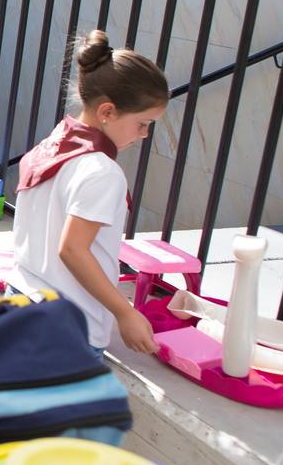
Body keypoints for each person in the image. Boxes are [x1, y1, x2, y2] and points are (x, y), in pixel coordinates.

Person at [11, 30, 169, 355]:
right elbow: (72, 250)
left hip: (20, 304)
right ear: (107, 112)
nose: (144, 135)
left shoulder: (53, 144)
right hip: (66, 329)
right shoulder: (101, 172)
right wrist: (125, 313)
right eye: (143, 123)